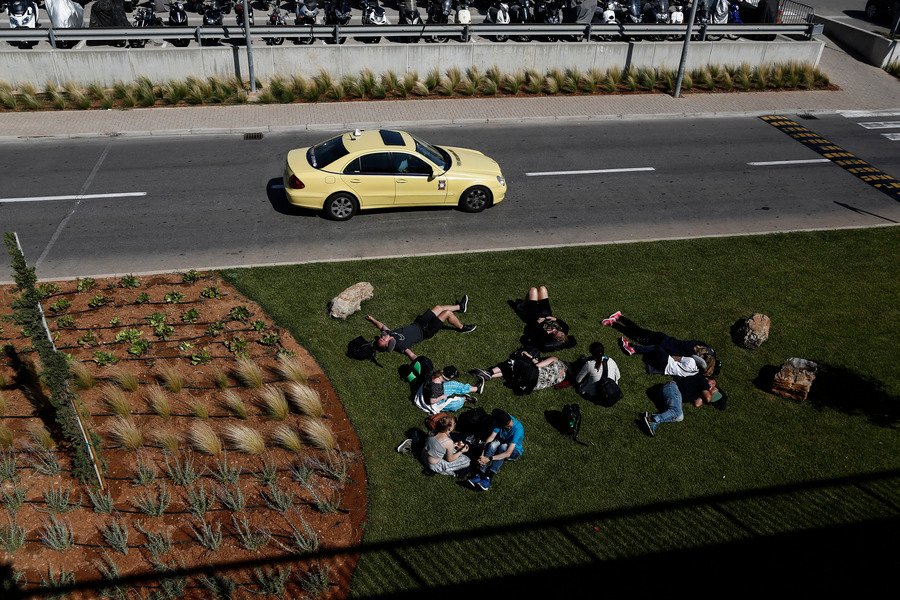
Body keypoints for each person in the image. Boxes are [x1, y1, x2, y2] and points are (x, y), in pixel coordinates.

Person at [603, 311, 718, 377]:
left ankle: (619, 317)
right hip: (661, 343)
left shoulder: (699, 346)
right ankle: (614, 323)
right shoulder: (690, 356)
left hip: (664, 338)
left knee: (639, 331)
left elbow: (709, 352)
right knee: (636, 335)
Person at [365, 295, 475, 361]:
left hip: (419, 323)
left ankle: (460, 307)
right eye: (383, 340)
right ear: (387, 345)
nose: (383, 337)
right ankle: (462, 328)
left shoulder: (390, 334)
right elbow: (411, 354)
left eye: (381, 338)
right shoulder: (399, 345)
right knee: (447, 313)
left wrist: (372, 319)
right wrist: (419, 362)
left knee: (438, 307)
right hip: (426, 331)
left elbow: (381, 326)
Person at [641, 375, 725, 436]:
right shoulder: (703, 379)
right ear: (708, 378)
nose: (713, 386)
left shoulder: (698, 391)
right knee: (677, 412)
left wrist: (706, 393)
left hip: (669, 393)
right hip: (672, 388)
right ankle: (652, 420)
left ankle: (651, 416)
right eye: (713, 383)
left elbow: (697, 404)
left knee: (680, 417)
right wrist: (711, 392)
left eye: (714, 386)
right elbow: (708, 398)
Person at [466, 409, 523, 491]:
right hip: (502, 441)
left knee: (503, 447)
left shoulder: (518, 430)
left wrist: (489, 458)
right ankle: (480, 472)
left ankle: (489, 476)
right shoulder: (503, 419)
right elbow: (491, 437)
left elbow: (508, 453)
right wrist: (482, 454)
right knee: (492, 444)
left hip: (514, 451)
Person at [470, 349, 568, 394]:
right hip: (528, 387)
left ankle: (490, 372)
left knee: (512, 363)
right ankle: (488, 376)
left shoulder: (556, 360)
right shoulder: (561, 378)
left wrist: (529, 356)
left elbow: (538, 365)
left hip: (533, 375)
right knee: (514, 371)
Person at [519, 286, 576, 352]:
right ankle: (528, 304)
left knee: (533, 290)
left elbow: (530, 329)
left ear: (555, 338)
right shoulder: (565, 328)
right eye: (562, 333)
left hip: (535, 317)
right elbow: (560, 322)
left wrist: (537, 322)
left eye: (557, 334)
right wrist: (555, 319)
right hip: (546, 314)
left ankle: (522, 306)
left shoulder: (544, 336)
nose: (557, 331)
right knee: (543, 289)